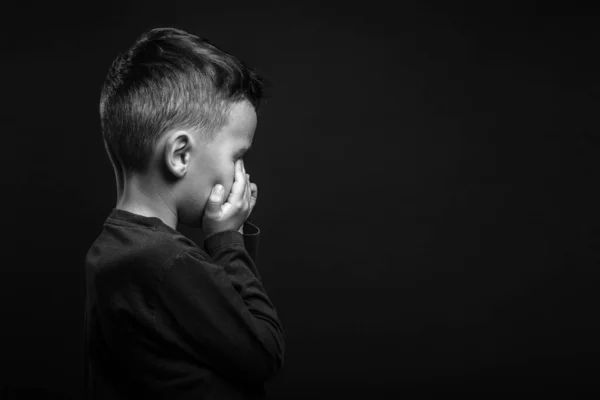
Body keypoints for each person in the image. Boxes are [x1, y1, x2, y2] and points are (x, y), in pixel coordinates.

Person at [82, 27, 285, 399]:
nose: (242, 173)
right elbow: (264, 351)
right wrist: (227, 239)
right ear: (179, 155)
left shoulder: (114, 249)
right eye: (238, 156)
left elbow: (227, 328)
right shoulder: (166, 262)